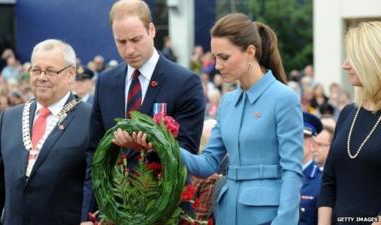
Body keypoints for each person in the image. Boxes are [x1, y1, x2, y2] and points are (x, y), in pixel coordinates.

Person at [119, 13, 303, 225]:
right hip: (227, 213)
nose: (217, 65)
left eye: (224, 57)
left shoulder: (284, 98)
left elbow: (292, 170)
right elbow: (207, 164)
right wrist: (161, 143)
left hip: (267, 217)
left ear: (250, 52)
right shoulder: (227, 102)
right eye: (215, 57)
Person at [80, 0, 205, 224]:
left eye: (136, 40)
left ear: (151, 30)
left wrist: (149, 146)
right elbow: (94, 154)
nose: (129, 49)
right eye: (121, 42)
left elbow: (186, 151)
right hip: (115, 210)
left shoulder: (185, 82)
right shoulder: (106, 82)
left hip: (167, 210)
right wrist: (87, 215)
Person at [0, 39, 92, 225]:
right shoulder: (10, 117)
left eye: (50, 71)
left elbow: (94, 188)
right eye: (36, 70)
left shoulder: (90, 119)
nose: (42, 77)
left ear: (70, 73)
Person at [318, 21, 381, 225]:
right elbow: (329, 180)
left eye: (351, 58)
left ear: (371, 60)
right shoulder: (347, 113)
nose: (344, 65)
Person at [299, 112, 323, 225]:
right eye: (293, 136)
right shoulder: (276, 175)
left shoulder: (322, 180)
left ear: (313, 144)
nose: (297, 141)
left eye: (303, 137)